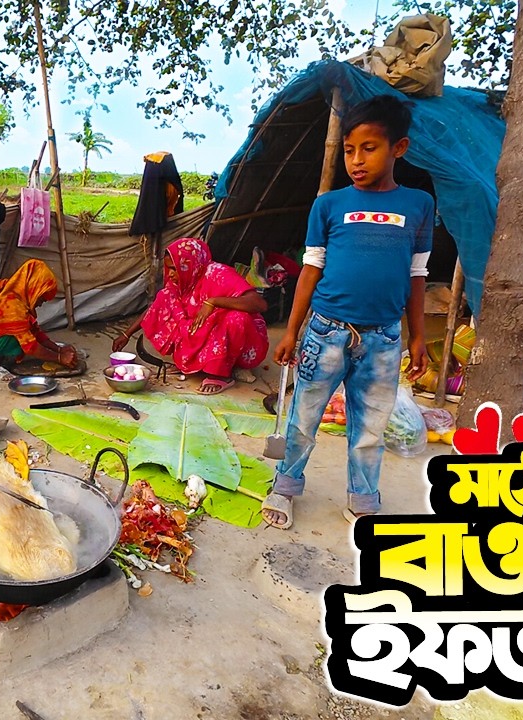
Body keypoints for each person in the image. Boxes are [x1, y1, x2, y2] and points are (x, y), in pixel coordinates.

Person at [264, 95, 432, 529]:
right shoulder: (329, 205)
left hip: (384, 338)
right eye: (349, 150)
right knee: (303, 417)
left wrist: (418, 335)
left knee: (371, 428)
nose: (356, 160)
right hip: (326, 332)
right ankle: (284, 486)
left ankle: (362, 497)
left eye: (369, 148)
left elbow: (417, 275)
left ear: (399, 148)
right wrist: (290, 331)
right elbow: (311, 269)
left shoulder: (417, 206)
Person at [113, 237, 269, 394]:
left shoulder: (218, 274)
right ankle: (194, 364)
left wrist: (213, 302)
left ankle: (222, 375)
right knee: (165, 297)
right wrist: (126, 334)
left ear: (190, 264)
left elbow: (259, 304)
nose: (171, 274)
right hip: (208, 328)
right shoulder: (182, 281)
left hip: (243, 338)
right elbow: (155, 308)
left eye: (175, 268)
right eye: (169, 269)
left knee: (236, 318)